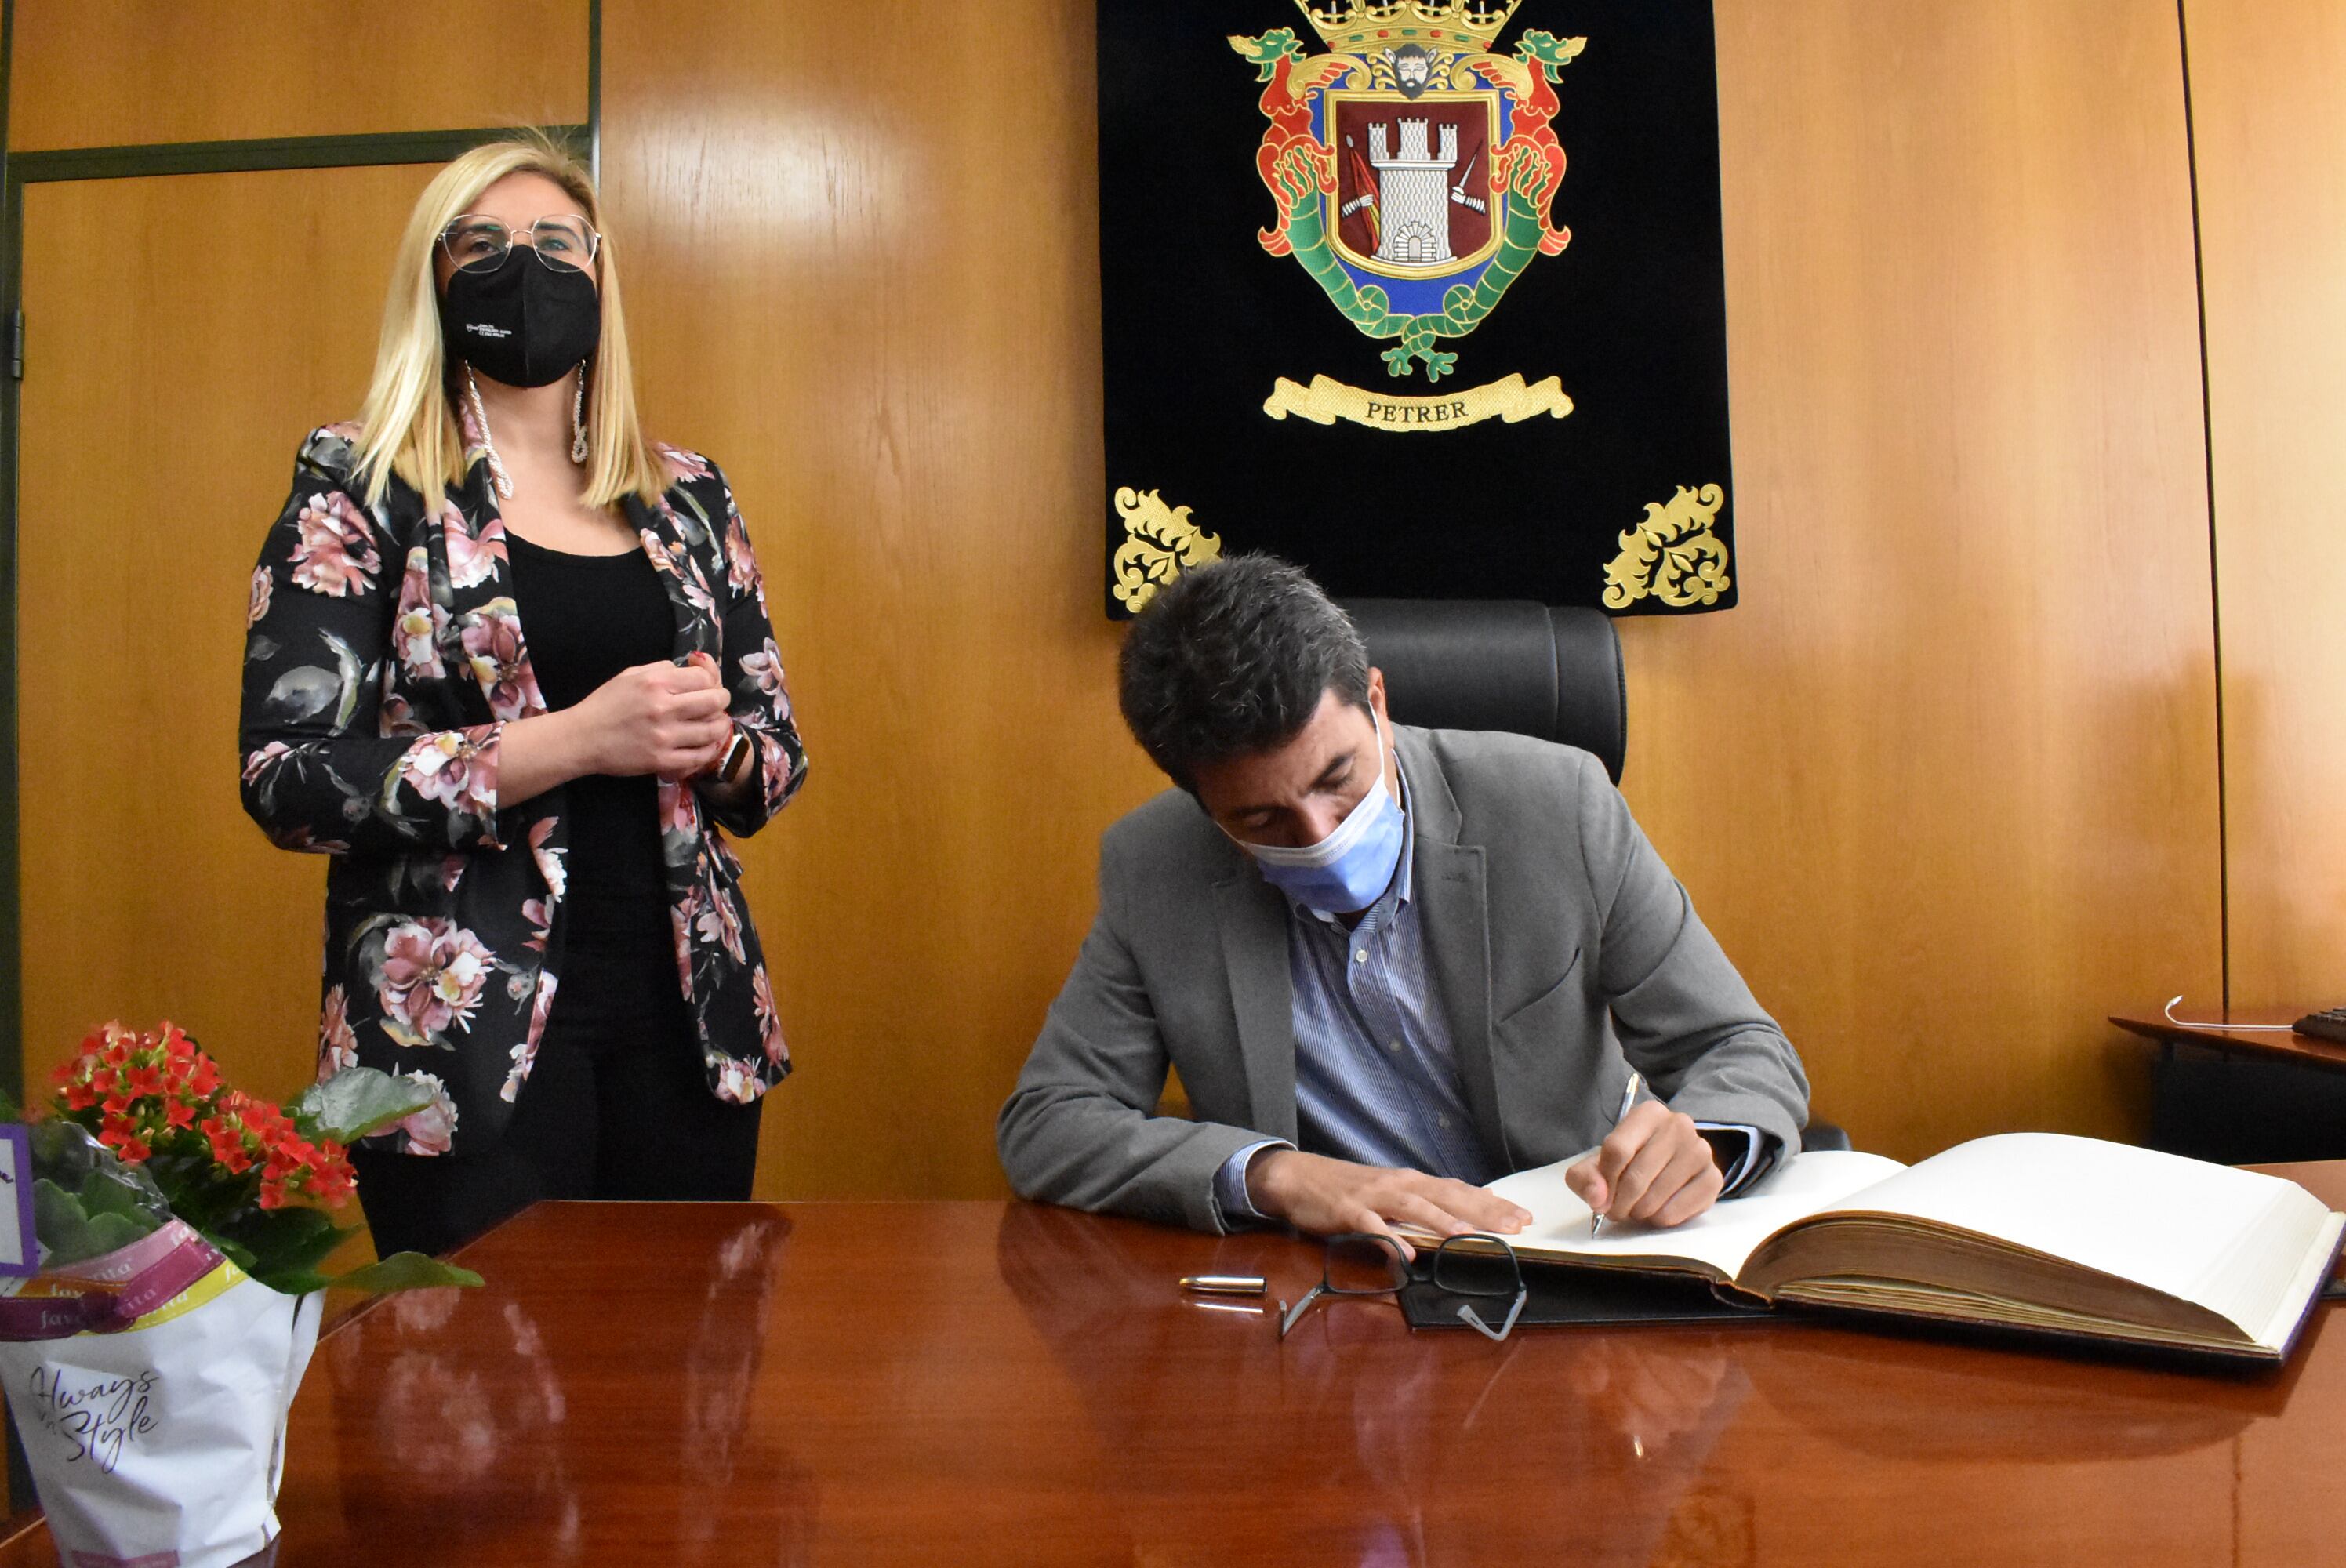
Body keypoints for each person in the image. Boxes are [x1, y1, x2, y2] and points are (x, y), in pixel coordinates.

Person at [238, 133, 808, 1258]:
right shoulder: (361, 488)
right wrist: (572, 742)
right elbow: (288, 777)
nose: (525, 267)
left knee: (676, 1392)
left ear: (598, 272)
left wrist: (718, 747)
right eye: (484, 244)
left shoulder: (687, 496)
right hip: (455, 1035)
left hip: (685, 1025)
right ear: (436, 277)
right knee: (476, 1412)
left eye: (556, 243)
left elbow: (776, 754)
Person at [997, 556, 1805, 1251]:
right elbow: (1049, 1121)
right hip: (1344, 1293)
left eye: (1338, 777)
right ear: (1201, 803)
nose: (1318, 835)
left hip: (1577, 1253)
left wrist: (1704, 1141)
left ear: (1377, 702)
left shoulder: (1559, 806)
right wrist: (1275, 1175)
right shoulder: (1156, 865)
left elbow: (1739, 1044)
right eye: (1261, 818)